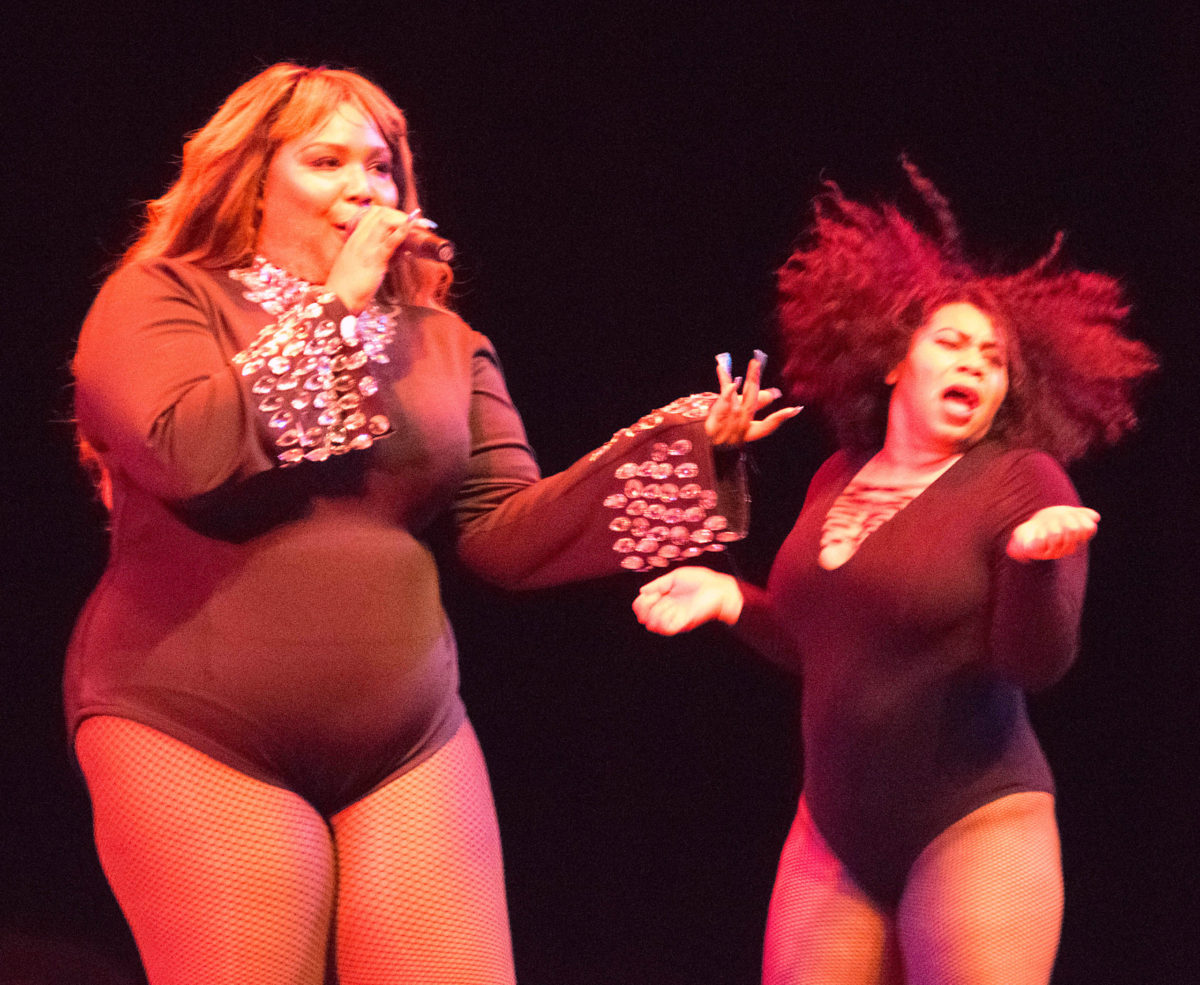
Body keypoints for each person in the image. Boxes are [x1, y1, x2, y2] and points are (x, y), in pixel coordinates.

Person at [67, 63, 794, 985]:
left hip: (406, 739)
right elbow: (185, 452)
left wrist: (687, 451)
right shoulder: (162, 296)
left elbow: (504, 532)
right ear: (251, 183)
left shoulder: (445, 342)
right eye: (326, 162)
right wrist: (336, 307)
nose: (362, 187)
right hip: (191, 722)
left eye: (379, 166)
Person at [633, 161, 1156, 984]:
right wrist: (734, 598)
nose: (974, 365)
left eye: (992, 360)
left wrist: (1033, 567)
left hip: (975, 822)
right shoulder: (836, 476)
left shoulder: (1021, 482)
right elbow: (828, 646)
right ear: (891, 362)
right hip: (832, 835)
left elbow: (1036, 663)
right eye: (951, 343)